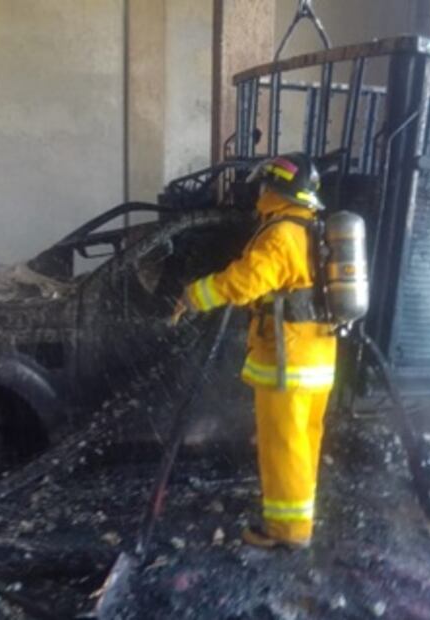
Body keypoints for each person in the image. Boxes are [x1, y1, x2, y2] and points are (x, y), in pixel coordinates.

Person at [173, 153, 335, 549]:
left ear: (276, 188)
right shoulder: (313, 228)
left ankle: (287, 531)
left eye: (264, 185)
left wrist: (194, 294)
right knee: (303, 442)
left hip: (288, 360)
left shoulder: (280, 233)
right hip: (319, 355)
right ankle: (300, 513)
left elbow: (246, 282)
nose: (259, 192)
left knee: (283, 445)